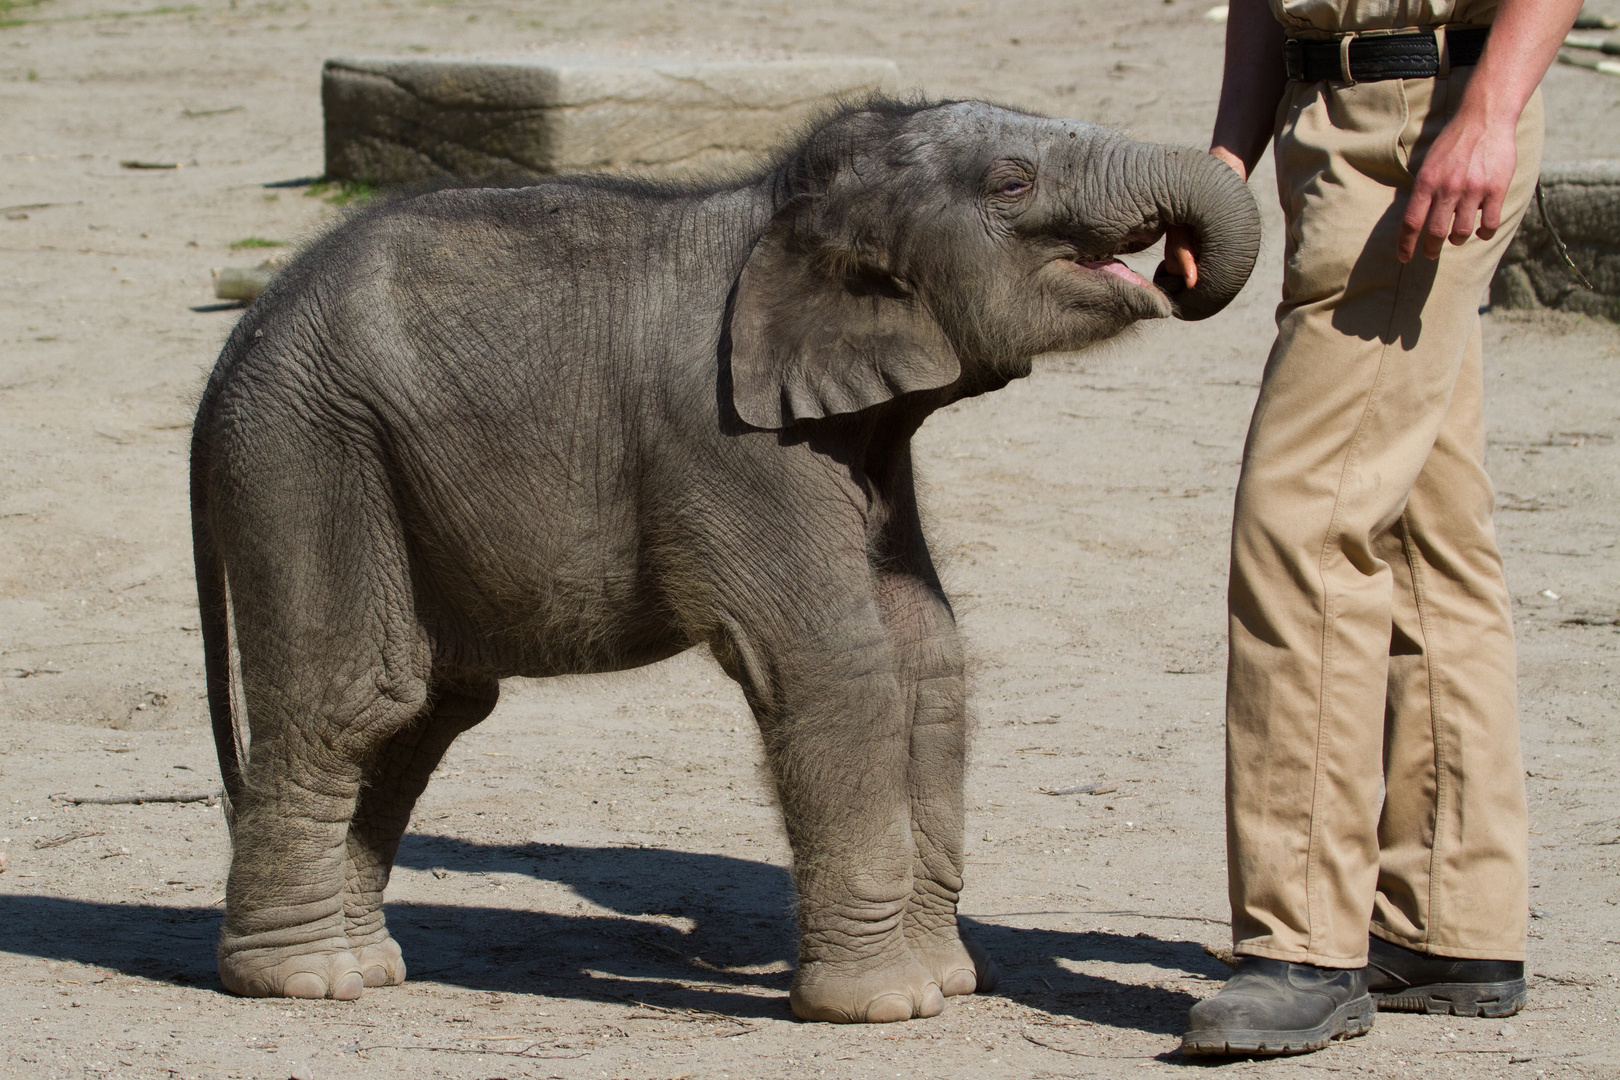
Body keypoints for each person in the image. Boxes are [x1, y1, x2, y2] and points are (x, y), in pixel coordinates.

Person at [1162, 0, 1586, 1057]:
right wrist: (1230, 155)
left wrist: (1488, 110)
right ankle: (1450, 918)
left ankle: (1300, 941)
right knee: (1422, 528)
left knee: (1300, 523)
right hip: (1333, 120)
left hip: (1431, 118)